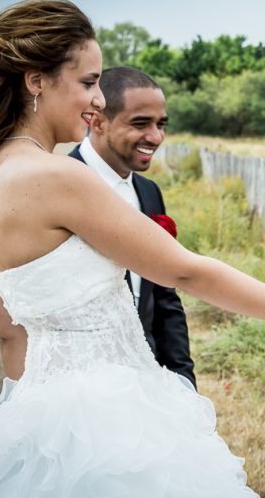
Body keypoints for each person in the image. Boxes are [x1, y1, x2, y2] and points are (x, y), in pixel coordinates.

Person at [0, 0, 265, 497]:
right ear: (36, 80)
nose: (98, 100)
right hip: (112, 418)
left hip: (42, 414)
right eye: (88, 82)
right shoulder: (56, 175)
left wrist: (47, 422)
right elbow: (186, 272)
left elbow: (8, 330)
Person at [70, 66, 195, 388]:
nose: (155, 137)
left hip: (146, 376)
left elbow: (166, 297)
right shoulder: (60, 183)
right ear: (97, 121)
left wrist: (183, 381)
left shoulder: (150, 192)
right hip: (79, 385)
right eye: (140, 123)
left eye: (161, 124)